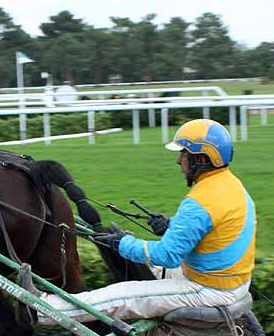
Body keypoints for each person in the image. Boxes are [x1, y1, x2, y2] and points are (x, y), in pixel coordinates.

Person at [41, 118, 256, 323]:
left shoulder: (200, 200)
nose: (178, 160)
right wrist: (170, 226)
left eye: (183, 154)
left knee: (122, 296)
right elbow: (212, 229)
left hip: (208, 290)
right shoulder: (232, 185)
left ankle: (43, 309)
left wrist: (120, 243)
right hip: (229, 283)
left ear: (200, 159)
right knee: (144, 266)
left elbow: (167, 256)